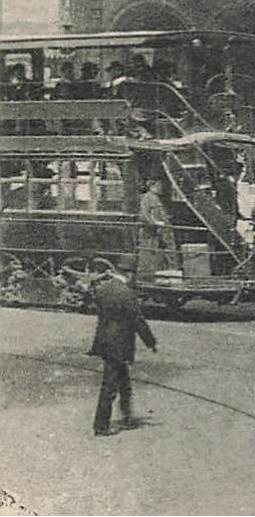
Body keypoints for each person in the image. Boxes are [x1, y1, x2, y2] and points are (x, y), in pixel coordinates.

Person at [87, 255, 157, 436]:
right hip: (119, 344)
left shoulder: (103, 290)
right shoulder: (126, 293)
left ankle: (127, 417)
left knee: (124, 383)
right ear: (129, 274)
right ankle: (101, 426)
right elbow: (138, 321)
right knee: (110, 386)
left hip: (105, 342)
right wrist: (150, 342)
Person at [138, 178, 177, 271]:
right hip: (151, 232)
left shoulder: (157, 198)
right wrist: (155, 223)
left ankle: (169, 270)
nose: (160, 188)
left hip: (162, 231)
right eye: (158, 186)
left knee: (167, 251)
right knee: (150, 252)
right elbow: (144, 214)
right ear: (151, 187)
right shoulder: (146, 197)